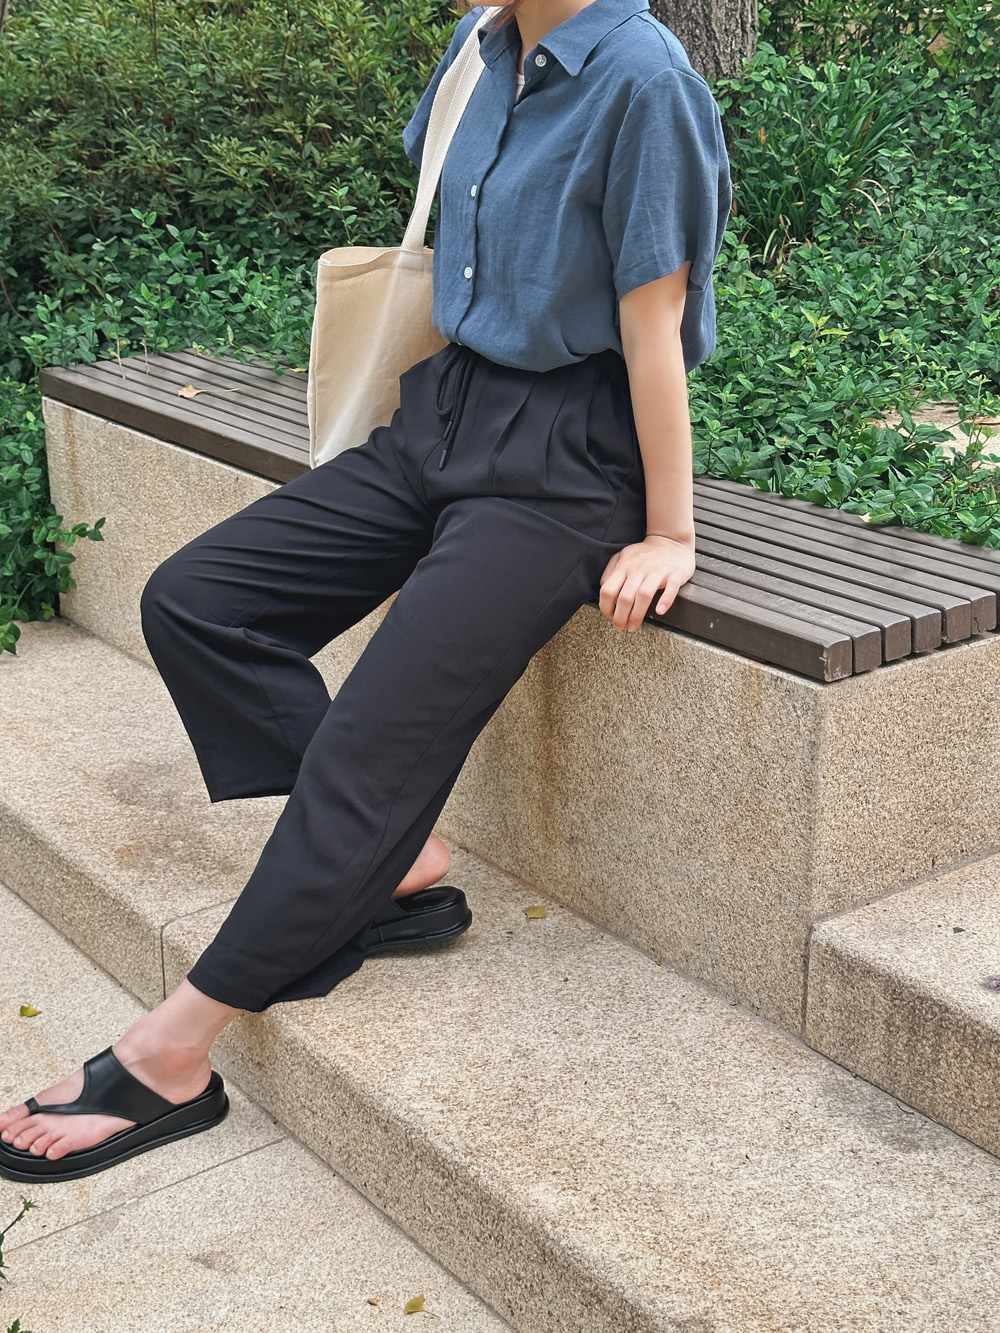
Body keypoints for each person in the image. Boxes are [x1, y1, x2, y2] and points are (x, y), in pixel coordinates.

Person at [0, 0, 732, 1182]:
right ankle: (388, 860)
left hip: (564, 467)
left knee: (366, 754)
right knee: (199, 598)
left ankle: (172, 1052)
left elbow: (655, 323)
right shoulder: (483, 47)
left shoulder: (644, 80)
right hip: (441, 415)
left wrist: (670, 531)